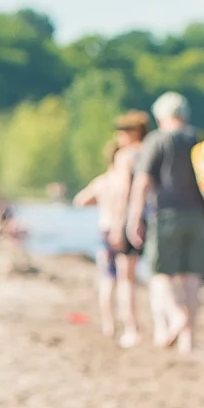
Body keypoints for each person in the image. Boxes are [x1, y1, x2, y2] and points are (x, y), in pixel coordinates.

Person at [126, 92, 204, 358]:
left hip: (167, 216)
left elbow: (142, 181)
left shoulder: (157, 141)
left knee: (159, 275)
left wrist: (134, 218)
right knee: (191, 277)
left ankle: (177, 317)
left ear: (160, 116)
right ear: (185, 114)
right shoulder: (201, 138)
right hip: (202, 217)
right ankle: (188, 340)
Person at [72, 134, 143, 347]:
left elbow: (79, 201)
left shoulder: (102, 181)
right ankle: (130, 326)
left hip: (104, 230)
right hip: (122, 229)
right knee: (126, 279)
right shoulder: (127, 181)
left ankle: (108, 325)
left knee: (106, 279)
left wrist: (100, 204)